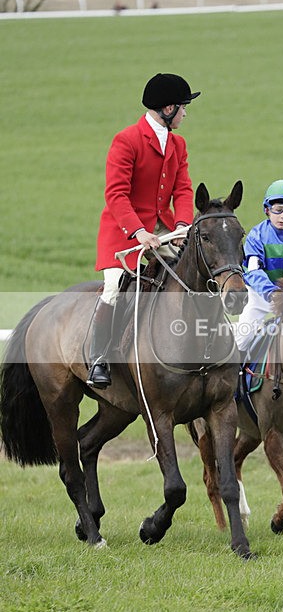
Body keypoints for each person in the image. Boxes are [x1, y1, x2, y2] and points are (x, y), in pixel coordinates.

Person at [86, 72, 200, 389]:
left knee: (194, 270)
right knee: (114, 287)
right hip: (124, 232)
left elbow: (184, 189)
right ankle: (99, 357)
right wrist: (138, 232)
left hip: (163, 229)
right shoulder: (127, 140)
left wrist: (181, 225)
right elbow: (116, 195)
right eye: (183, 107)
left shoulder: (178, 144)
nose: (186, 113)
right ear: (167, 109)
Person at [234, 179, 283, 356]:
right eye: (278, 210)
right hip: (260, 297)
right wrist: (272, 293)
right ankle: (235, 376)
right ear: (267, 210)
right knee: (243, 337)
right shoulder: (256, 236)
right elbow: (253, 271)